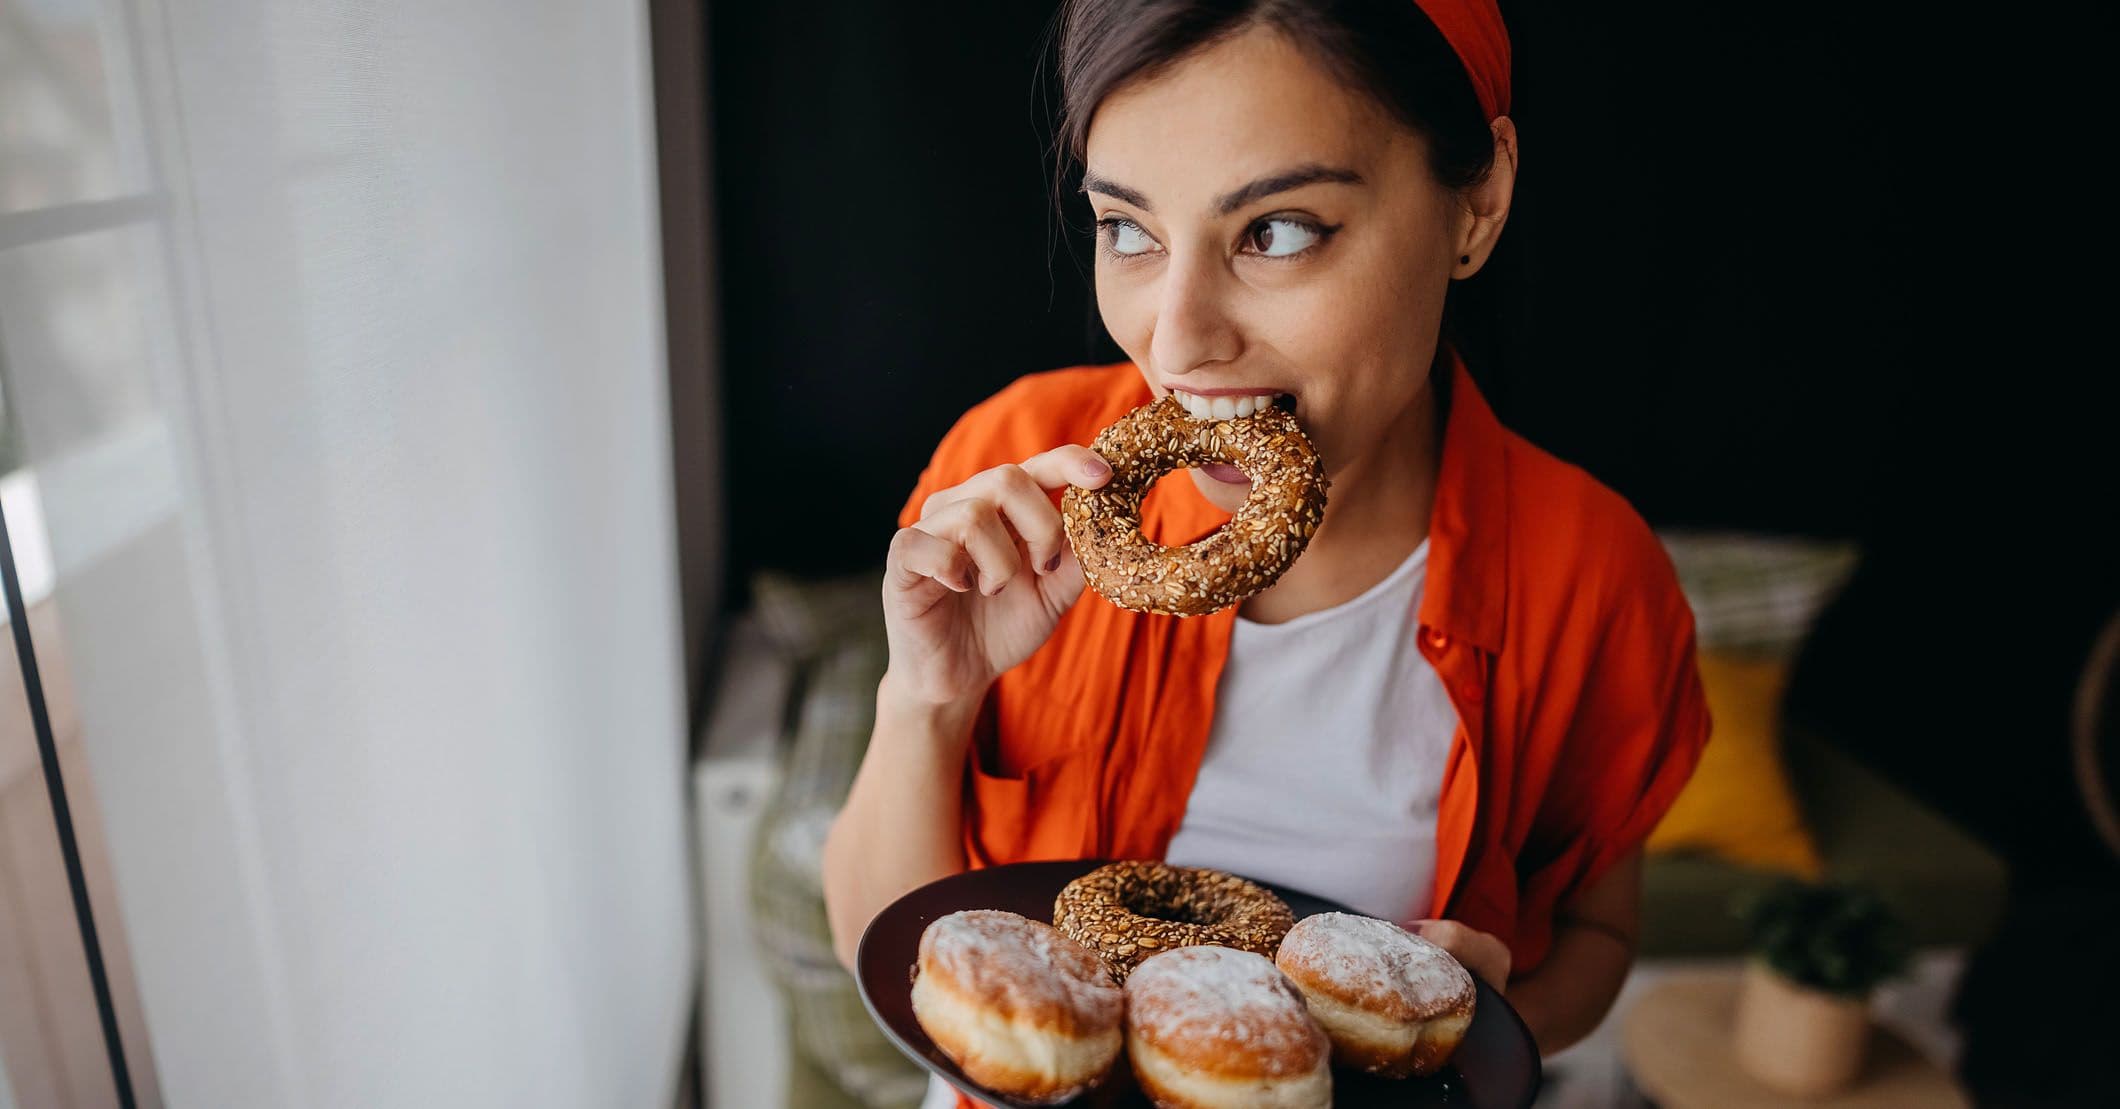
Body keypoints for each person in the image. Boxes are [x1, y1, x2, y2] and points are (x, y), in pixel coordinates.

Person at [822, 1, 1710, 1101]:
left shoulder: (1591, 576)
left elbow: (1594, 937)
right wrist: (927, 695)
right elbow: (887, 945)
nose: (1177, 335)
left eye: (1277, 229)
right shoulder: (1012, 474)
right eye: (1127, 230)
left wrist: (1486, 1010)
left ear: (1476, 200)